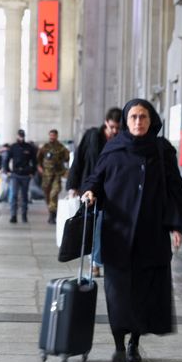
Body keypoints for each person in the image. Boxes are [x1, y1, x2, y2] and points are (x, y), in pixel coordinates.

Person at [80, 99, 182, 362]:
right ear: (126, 122)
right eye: (133, 117)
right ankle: (118, 344)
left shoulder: (163, 151)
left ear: (151, 120)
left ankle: (134, 344)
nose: (138, 122)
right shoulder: (114, 149)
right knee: (117, 293)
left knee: (143, 293)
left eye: (143, 117)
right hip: (118, 234)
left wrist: (176, 225)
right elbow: (96, 177)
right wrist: (90, 192)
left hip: (151, 235)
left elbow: (176, 188)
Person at [67, 107, 122, 277]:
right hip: (91, 189)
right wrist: (73, 185)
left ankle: (102, 261)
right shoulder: (92, 136)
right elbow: (79, 160)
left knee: (108, 227)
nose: (114, 131)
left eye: (117, 128)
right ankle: (95, 263)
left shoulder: (122, 141)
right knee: (94, 226)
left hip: (112, 191)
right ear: (106, 123)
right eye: (112, 127)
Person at [4, 129, 37, 223]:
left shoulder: (29, 147)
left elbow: (34, 161)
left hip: (26, 175)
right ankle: (13, 215)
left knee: (24, 196)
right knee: (14, 195)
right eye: (20, 136)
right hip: (15, 175)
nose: (21, 137)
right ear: (17, 136)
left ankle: (24, 215)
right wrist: (7, 171)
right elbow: (7, 159)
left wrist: (32, 172)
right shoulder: (13, 147)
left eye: (22, 136)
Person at [37, 129, 70, 224]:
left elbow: (67, 158)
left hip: (57, 175)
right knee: (47, 195)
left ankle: (52, 215)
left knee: (54, 193)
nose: (52, 137)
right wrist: (39, 167)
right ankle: (51, 210)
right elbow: (38, 159)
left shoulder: (61, 147)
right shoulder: (44, 147)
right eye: (50, 135)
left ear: (56, 136)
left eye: (54, 135)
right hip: (46, 176)